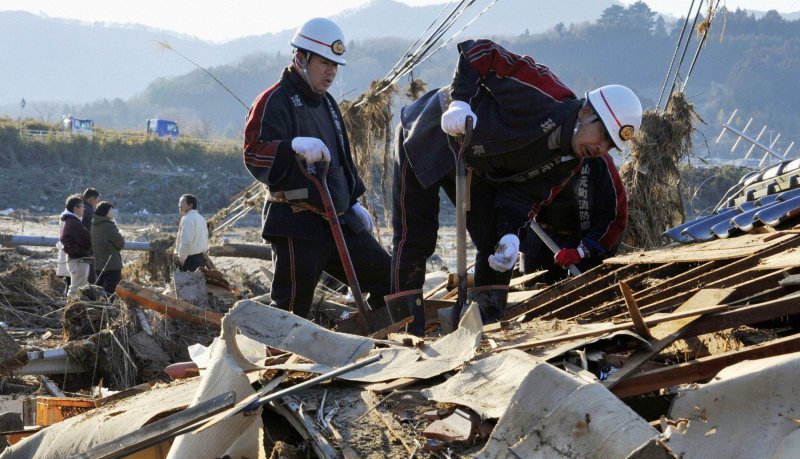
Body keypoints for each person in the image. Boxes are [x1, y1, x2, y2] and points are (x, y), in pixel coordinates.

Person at [388, 39, 642, 332]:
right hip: (433, 129)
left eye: (610, 145)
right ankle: (407, 332)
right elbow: (478, 52)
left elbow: (525, 196)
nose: (601, 147)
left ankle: (486, 327)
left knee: (494, 243)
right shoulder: (545, 92)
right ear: (586, 113)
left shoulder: (569, 162)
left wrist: (510, 233)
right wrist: (460, 100)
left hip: (477, 164)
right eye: (602, 135)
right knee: (415, 236)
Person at [243, 17, 391, 320]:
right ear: (300, 58)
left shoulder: (328, 104)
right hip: (297, 221)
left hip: (338, 218)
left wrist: (353, 201)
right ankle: (278, 365)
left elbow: (342, 159)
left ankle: (378, 343)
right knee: (291, 308)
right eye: (325, 63)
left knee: (388, 278)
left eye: (335, 65)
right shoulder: (273, 100)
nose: (331, 71)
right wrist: (290, 147)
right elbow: (254, 154)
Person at [520, 155, 627, 283]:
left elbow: (614, 217)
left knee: (585, 292)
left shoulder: (598, 161)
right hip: (538, 237)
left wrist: (582, 251)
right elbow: (518, 195)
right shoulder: (541, 151)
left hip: (581, 241)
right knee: (531, 289)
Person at [60, 194, 92, 297]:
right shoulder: (73, 223)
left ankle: (75, 309)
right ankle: (70, 309)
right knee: (76, 289)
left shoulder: (73, 221)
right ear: (76, 208)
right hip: (78, 260)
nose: (84, 209)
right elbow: (85, 241)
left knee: (79, 288)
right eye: (82, 206)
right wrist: (79, 251)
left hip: (79, 259)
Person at [91, 201, 125, 295]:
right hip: (111, 265)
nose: (113, 213)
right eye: (111, 211)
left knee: (99, 291)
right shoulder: (108, 226)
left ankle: (99, 308)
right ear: (106, 212)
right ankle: (108, 309)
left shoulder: (93, 225)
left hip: (98, 264)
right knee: (110, 292)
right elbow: (120, 244)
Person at [175, 194, 209, 272]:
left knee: (186, 283)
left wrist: (181, 259)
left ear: (190, 205)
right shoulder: (201, 218)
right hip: (200, 259)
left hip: (189, 260)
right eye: (179, 203)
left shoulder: (188, 219)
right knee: (197, 283)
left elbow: (186, 242)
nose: (179, 205)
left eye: (182, 202)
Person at [81, 187, 101, 285]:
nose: (97, 203)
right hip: (87, 248)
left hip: (80, 247)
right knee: (90, 275)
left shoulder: (80, 207)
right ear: (92, 199)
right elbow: (90, 231)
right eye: (97, 201)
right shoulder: (88, 211)